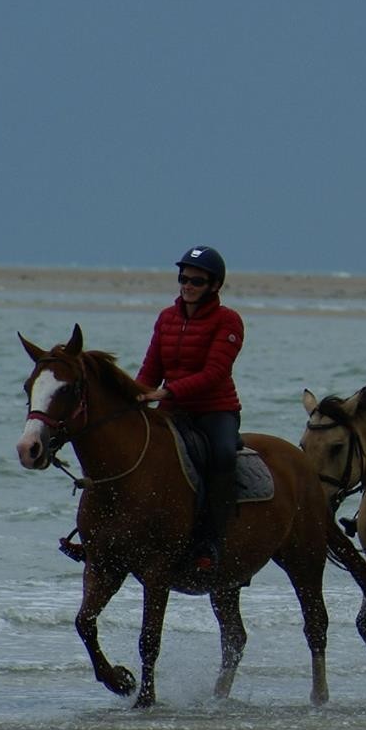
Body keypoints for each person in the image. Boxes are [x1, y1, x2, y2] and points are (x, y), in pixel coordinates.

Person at [136, 245, 244, 573]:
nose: (188, 285)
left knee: (223, 455)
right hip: (172, 408)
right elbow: (150, 367)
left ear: (214, 286)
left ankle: (211, 539)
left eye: (197, 281)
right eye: (184, 278)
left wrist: (167, 391)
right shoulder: (166, 318)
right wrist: (135, 395)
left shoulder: (229, 321)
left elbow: (214, 374)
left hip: (215, 410)